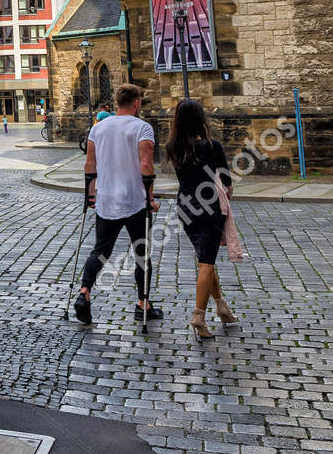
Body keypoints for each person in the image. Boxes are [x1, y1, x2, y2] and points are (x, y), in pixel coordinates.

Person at [73, 83, 158, 326]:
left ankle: (84, 292)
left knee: (100, 250)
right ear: (136, 103)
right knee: (142, 252)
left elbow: (90, 165)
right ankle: (143, 304)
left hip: (107, 200)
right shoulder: (142, 128)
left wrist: (90, 196)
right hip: (135, 201)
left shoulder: (98, 128)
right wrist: (150, 198)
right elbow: (146, 165)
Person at [167, 98, 239, 339]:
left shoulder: (174, 146)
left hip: (186, 207)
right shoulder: (212, 145)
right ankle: (198, 315)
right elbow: (227, 184)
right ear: (201, 119)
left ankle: (222, 307)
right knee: (206, 263)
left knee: (205, 259)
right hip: (210, 210)